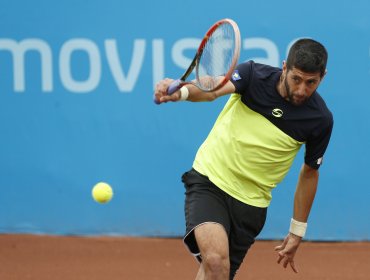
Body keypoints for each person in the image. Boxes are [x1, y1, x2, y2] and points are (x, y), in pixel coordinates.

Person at [154, 38, 333, 280]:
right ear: (284, 68)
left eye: (311, 83)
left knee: (214, 273)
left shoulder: (319, 120)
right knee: (215, 261)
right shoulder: (253, 75)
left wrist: (297, 231)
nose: (302, 89)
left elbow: (310, 172)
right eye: (296, 79)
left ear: (323, 76)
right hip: (211, 181)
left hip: (251, 205)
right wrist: (183, 92)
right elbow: (213, 88)